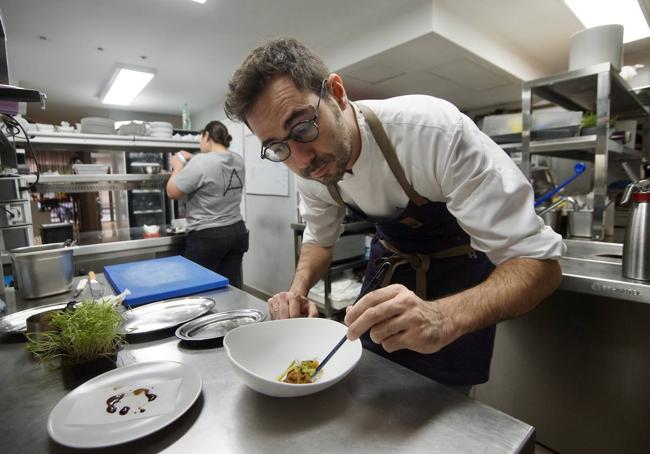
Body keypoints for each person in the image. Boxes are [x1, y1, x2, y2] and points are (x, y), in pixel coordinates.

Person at [224, 38, 564, 389]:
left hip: (458, 274)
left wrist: (442, 317)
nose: (301, 161)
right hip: (392, 268)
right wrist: (298, 290)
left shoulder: (432, 133)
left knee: (443, 401)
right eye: (278, 147)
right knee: (369, 378)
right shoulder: (309, 171)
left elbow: (539, 264)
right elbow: (320, 240)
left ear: (338, 93)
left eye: (304, 127)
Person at [166, 121, 248, 288]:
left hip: (208, 236)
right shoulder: (238, 160)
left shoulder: (201, 162)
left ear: (207, 136)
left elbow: (172, 192)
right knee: (229, 287)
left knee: (199, 287)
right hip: (237, 232)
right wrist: (194, 158)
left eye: (200, 138)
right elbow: (214, 169)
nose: (199, 143)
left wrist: (177, 166)